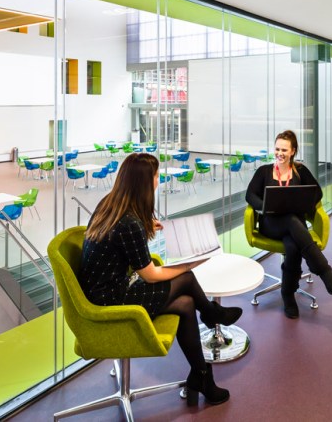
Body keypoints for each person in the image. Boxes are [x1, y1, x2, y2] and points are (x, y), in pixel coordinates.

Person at [80, 153, 242, 407]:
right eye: (156, 176)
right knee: (187, 277)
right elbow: (150, 274)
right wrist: (188, 263)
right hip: (111, 300)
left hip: (104, 289)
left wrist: (146, 226)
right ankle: (211, 315)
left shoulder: (111, 205)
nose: (159, 180)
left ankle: (200, 376)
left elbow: (121, 247)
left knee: (187, 304)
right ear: (145, 183)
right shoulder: (129, 222)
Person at [245, 130, 332, 319]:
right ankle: (323, 270)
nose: (279, 153)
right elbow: (250, 195)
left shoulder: (301, 171)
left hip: (294, 227)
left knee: (292, 246)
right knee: (291, 222)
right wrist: (265, 206)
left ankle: (288, 294)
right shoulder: (264, 171)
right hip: (270, 224)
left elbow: (317, 193)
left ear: (293, 151)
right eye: (277, 149)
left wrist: (302, 203)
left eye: (284, 149)